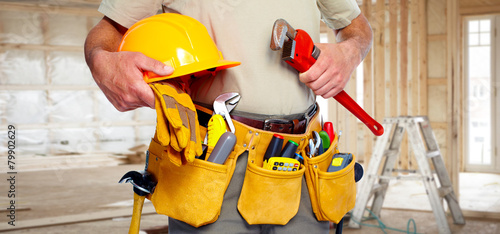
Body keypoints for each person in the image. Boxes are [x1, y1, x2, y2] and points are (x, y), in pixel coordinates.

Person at [85, 1, 372, 233]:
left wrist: (349, 53)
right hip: (212, 161)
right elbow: (105, 34)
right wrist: (101, 61)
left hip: (302, 157)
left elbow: (358, 29)